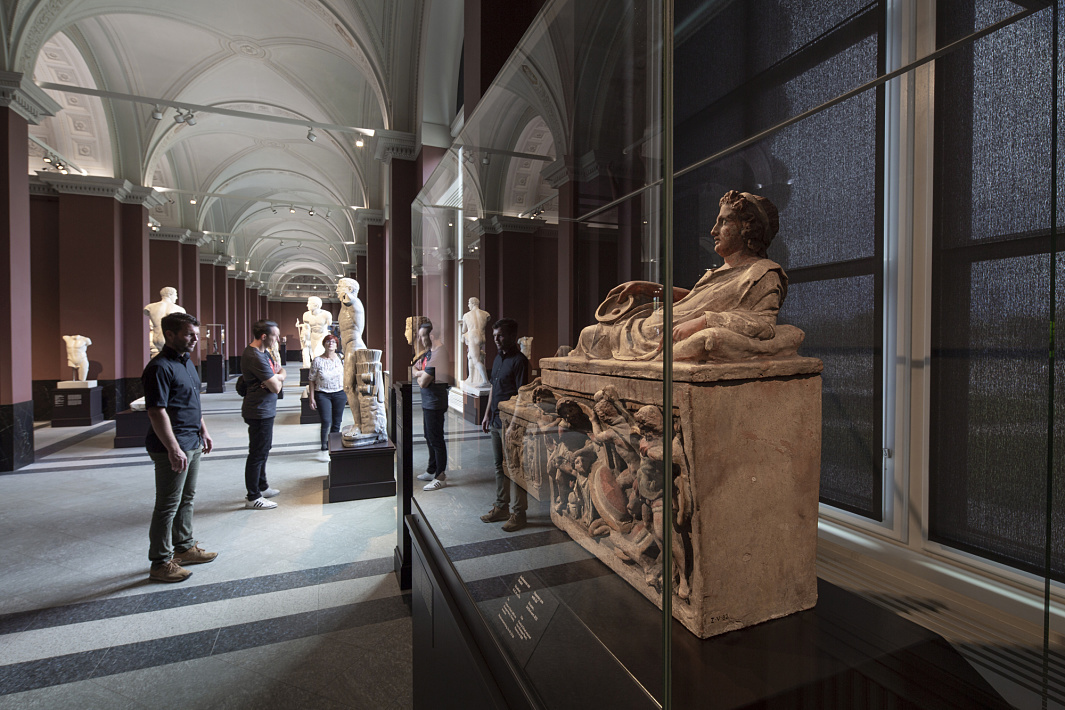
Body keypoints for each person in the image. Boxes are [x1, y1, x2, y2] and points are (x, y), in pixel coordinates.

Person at [573, 190, 790, 362]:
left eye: (724, 222)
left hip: (657, 338)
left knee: (590, 336)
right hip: (649, 329)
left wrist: (704, 321)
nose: (714, 230)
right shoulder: (718, 272)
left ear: (748, 227)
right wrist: (649, 288)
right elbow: (695, 301)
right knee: (590, 335)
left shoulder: (764, 274)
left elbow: (764, 324)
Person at [142, 312, 215, 583]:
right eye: (189, 334)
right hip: (172, 446)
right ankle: (160, 562)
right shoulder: (159, 367)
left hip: (192, 440)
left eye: (196, 334)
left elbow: (192, 401)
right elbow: (156, 411)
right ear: (170, 335)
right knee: (167, 505)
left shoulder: (187, 364)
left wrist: (203, 430)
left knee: (187, 498)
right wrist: (173, 448)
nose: (196, 339)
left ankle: (183, 547)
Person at [480, 317, 530, 532]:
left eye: (500, 335)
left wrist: (514, 425)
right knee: (499, 466)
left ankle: (519, 514)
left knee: (516, 469)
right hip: (495, 420)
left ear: (511, 336)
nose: (496, 340)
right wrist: (486, 414)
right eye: (494, 336)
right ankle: (502, 507)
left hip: (511, 425)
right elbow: (493, 388)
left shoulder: (519, 361)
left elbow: (523, 396)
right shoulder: (499, 359)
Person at [241, 319, 286, 509]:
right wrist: (276, 378)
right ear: (264, 336)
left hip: (265, 408)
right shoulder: (255, 356)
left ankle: (262, 485)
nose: (278, 338)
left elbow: (280, 370)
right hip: (258, 410)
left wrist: (277, 376)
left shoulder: (264, 352)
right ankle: (253, 497)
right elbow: (276, 386)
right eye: (275, 335)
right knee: (257, 453)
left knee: (264, 449)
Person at [413, 321, 450, 491]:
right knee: (429, 436)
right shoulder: (429, 353)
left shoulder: (439, 354)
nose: (420, 340)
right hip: (428, 401)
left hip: (435, 402)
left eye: (422, 336)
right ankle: (431, 469)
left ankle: (440, 476)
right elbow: (414, 369)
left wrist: (421, 374)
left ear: (431, 336)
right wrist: (422, 373)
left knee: (436, 439)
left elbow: (422, 383)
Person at [308, 333, 346, 461]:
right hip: (322, 393)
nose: (331, 344)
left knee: (337, 421)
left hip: (339, 393)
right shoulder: (317, 360)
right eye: (328, 341)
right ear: (324, 344)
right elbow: (312, 380)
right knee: (326, 420)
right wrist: (311, 398)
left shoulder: (341, 359)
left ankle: (334, 444)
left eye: (333, 342)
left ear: (337, 345)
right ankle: (324, 445)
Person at [336, 277, 366, 416]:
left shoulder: (353, 301)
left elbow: (350, 297)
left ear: (349, 289)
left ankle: (359, 424)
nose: (337, 289)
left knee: (348, 386)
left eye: (339, 286)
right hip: (348, 347)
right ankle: (359, 424)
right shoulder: (344, 306)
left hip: (354, 346)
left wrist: (346, 292)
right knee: (350, 387)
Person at [144, 287, 186, 359]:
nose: (176, 297)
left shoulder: (150, 307)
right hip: (170, 339)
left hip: (156, 339)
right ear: (170, 295)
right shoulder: (180, 309)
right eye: (175, 295)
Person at [460, 297, 491, 388]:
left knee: (476, 360)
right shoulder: (485, 314)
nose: (468, 305)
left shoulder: (466, 315)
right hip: (481, 336)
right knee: (470, 356)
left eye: (469, 303)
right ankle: (472, 378)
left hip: (473, 336)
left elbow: (463, 329)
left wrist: (464, 334)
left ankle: (486, 381)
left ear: (473, 303)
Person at [299, 296, 332, 368]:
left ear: (316, 305)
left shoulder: (326, 314)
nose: (307, 305)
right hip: (313, 336)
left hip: (322, 335)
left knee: (318, 353)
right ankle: (317, 370)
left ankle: (322, 368)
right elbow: (306, 328)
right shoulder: (306, 315)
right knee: (313, 355)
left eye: (309, 304)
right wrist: (304, 338)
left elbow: (330, 325)